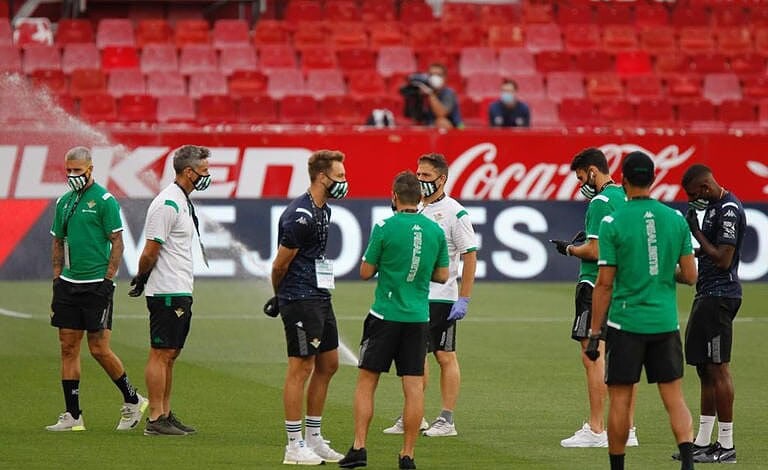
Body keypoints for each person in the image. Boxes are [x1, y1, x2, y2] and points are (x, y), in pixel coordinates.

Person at [586, 151, 698, 470]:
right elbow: (690, 275)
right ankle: (688, 464)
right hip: (665, 322)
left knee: (620, 399)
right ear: (654, 179)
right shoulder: (675, 219)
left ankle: (618, 466)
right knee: (674, 397)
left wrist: (595, 333)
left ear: (623, 180)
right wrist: (661, 269)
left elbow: (604, 284)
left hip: (626, 323)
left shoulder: (612, 222)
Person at [339, 171, 449, 470]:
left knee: (367, 382)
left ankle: (359, 448)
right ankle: (407, 454)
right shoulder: (435, 230)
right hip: (418, 317)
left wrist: (391, 266)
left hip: (385, 316)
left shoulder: (384, 226)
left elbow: (365, 271)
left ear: (394, 196)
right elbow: (442, 275)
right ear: (421, 197)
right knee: (413, 387)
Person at [47, 146, 147, 432]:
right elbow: (58, 241)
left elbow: (117, 242)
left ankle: (133, 399)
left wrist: (107, 280)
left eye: (77, 170)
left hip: (96, 285)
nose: (72, 175)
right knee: (68, 347)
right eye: (68, 170)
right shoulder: (64, 202)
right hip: (68, 285)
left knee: (99, 348)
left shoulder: (105, 200)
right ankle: (73, 415)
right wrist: (57, 279)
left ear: (90, 169)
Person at [382, 153, 477, 438]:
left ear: (442, 179)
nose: (420, 179)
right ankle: (415, 414)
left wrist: (464, 297)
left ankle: (446, 419)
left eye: (426, 175)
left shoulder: (455, 213)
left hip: (441, 297)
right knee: (415, 356)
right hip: (415, 296)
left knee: (444, 355)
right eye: (418, 174)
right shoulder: (416, 209)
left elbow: (469, 255)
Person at [551, 147, 638, 448]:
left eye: (580, 178)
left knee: (592, 356)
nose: (581, 185)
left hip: (594, 284)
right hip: (623, 284)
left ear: (592, 171)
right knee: (621, 357)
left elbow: (596, 250)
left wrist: (569, 249)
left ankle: (597, 428)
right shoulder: (624, 198)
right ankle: (627, 428)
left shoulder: (600, 202)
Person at [267, 150, 349, 465]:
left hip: (320, 296)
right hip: (300, 298)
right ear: (322, 177)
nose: (344, 182)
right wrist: (280, 297)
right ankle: (293, 445)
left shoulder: (323, 209)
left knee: (329, 364)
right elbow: (279, 265)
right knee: (300, 368)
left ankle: (314, 438)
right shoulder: (299, 216)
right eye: (339, 176)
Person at [129, 144, 212, 436]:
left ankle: (164, 412)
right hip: (166, 290)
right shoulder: (167, 203)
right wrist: (142, 277)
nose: (207, 176)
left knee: (171, 353)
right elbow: (150, 250)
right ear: (188, 172)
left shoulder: (180, 200)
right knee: (161, 353)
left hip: (178, 287)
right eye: (204, 171)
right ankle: (155, 418)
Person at [675, 164, 745, 464]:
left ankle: (726, 445)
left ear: (705, 187)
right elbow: (708, 251)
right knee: (704, 367)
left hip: (720, 295)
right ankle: (703, 441)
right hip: (706, 294)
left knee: (718, 368)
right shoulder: (715, 208)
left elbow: (723, 259)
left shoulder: (728, 209)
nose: (693, 201)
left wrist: (695, 231)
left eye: (693, 195)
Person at [412, 63, 463, 129]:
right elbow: (416, 117)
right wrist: (416, 97)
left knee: (442, 122)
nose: (435, 78)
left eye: (439, 75)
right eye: (431, 75)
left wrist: (430, 94)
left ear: (445, 77)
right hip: (430, 125)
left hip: (456, 127)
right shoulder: (423, 91)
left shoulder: (449, 93)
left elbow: (441, 113)